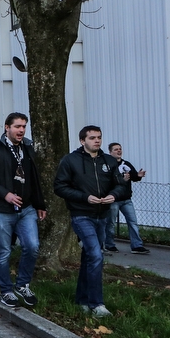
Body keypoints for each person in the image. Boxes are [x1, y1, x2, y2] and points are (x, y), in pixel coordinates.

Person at [54, 125, 126, 317]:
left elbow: (121, 186)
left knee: (89, 257)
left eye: (99, 137)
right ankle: (97, 304)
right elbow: (59, 187)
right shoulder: (70, 160)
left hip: (102, 215)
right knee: (96, 255)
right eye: (92, 137)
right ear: (82, 141)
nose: (97, 141)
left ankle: (82, 299)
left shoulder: (109, 161)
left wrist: (113, 195)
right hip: (81, 214)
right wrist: (84, 197)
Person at [0, 113, 47, 308]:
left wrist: (40, 203)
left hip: (26, 209)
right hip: (0, 210)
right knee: (3, 253)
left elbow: (34, 177)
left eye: (24, 126)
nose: (21, 130)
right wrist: (5, 194)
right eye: (17, 126)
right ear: (7, 127)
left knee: (32, 246)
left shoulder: (27, 147)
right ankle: (6, 291)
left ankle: (23, 285)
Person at [103, 143, 150, 254]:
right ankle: (109, 245)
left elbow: (133, 177)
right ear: (110, 152)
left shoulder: (126, 164)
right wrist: (121, 180)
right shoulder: (107, 165)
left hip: (126, 200)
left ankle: (137, 246)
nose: (119, 151)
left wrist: (138, 175)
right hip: (113, 200)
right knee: (110, 223)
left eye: (120, 149)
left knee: (133, 222)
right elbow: (105, 182)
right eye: (116, 149)